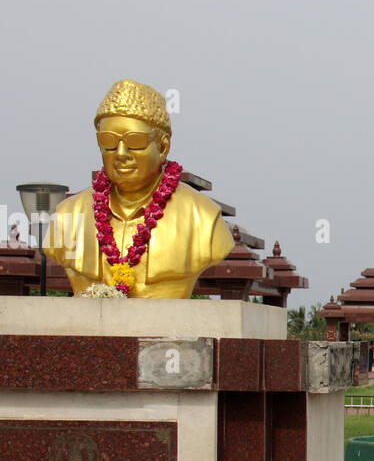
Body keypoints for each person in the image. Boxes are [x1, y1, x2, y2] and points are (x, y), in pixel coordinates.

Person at [42, 79, 235, 298]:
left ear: (163, 147)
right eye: (109, 141)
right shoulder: (68, 216)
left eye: (135, 141)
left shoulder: (202, 218)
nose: (121, 153)